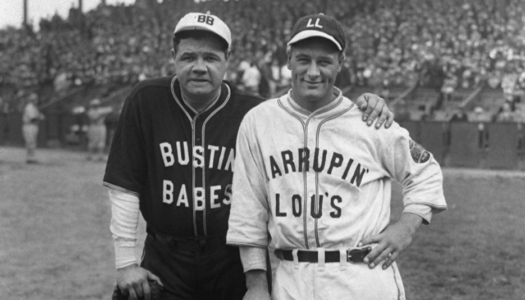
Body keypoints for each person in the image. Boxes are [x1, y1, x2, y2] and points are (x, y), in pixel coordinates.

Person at [104, 12, 394, 300]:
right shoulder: (147, 99)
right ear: (173, 55)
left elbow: (311, 127)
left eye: (211, 58)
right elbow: (125, 186)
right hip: (166, 256)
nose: (199, 67)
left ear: (228, 59)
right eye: (189, 57)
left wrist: (365, 106)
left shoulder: (254, 113)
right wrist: (126, 262)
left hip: (230, 260)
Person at [226, 13, 447, 300]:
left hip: (360, 273)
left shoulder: (369, 121)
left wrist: (406, 227)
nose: (313, 72)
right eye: (304, 59)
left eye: (325, 61)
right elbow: (248, 209)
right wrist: (256, 285)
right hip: (290, 277)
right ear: (289, 59)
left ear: (341, 63)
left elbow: (426, 171)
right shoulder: (258, 122)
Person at [22, 93, 44, 163]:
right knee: (30, 142)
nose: (36, 101)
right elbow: (33, 119)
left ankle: (31, 158)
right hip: (29, 125)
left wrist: (40, 117)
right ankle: (29, 158)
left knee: (32, 142)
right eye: (34, 99)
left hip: (33, 126)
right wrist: (40, 117)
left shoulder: (34, 107)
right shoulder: (29, 107)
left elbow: (39, 116)